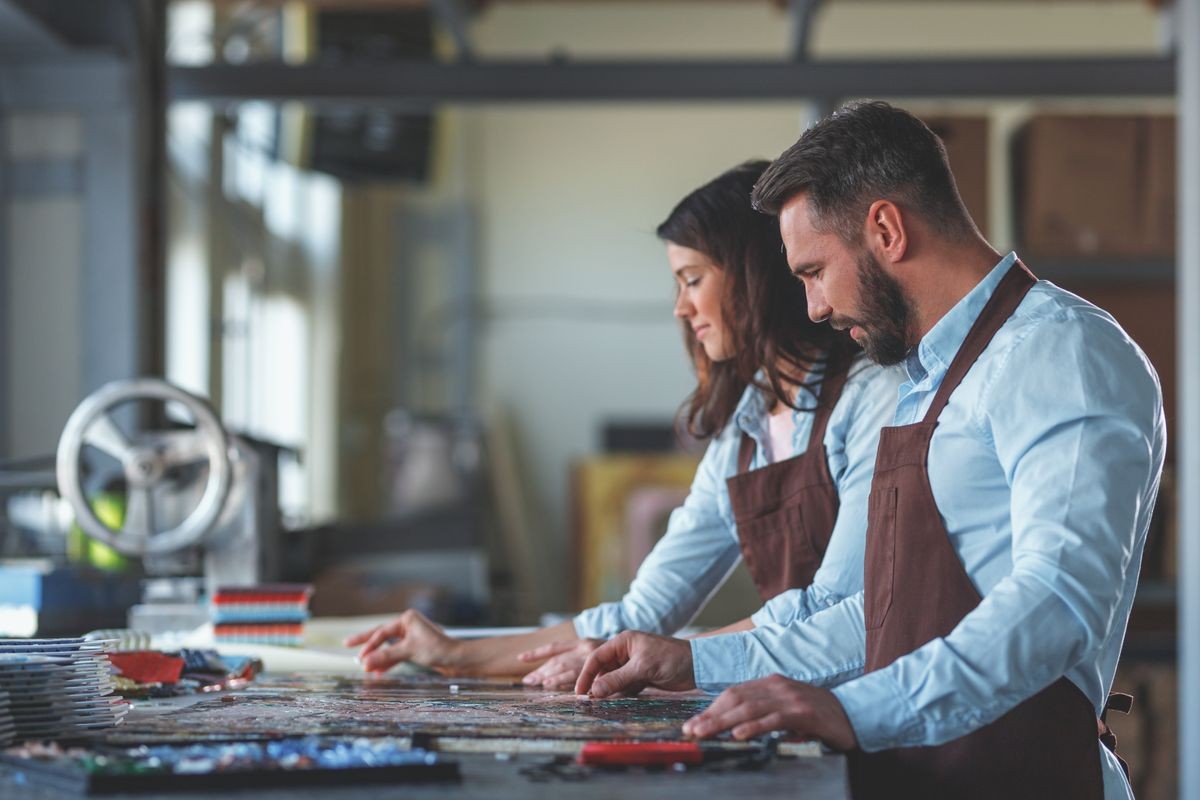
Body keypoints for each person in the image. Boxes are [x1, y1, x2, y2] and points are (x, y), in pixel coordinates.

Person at [574, 101, 1164, 800]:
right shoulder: (923, 380)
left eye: (814, 271)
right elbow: (883, 614)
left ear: (885, 229)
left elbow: (1059, 602)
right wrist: (698, 663)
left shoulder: (1060, 352)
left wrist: (852, 709)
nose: (814, 307)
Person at [345, 161, 903, 688]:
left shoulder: (870, 397)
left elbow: (832, 607)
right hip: (797, 703)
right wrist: (456, 654)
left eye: (691, 279)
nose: (681, 308)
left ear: (754, 275)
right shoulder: (742, 432)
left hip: (882, 708)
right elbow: (642, 613)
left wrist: (679, 659)